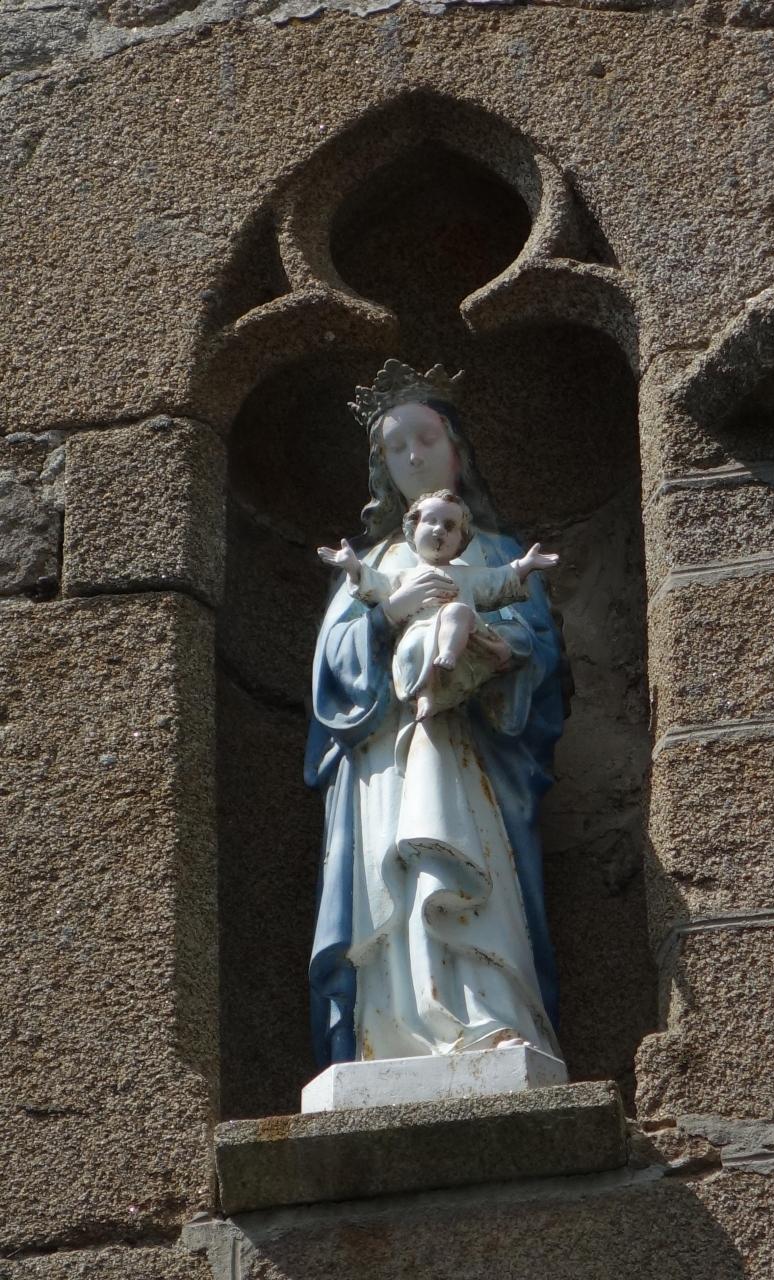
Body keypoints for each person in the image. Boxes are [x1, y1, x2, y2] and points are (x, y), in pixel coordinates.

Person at [306, 360, 568, 1067]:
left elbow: (538, 647)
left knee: (471, 863)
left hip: (469, 747)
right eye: (395, 447)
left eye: (425, 439)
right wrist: (385, 613)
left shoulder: (496, 555)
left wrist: (503, 652)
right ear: (380, 469)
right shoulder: (371, 563)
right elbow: (332, 665)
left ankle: (490, 1012)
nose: (412, 457)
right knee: (392, 875)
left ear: (457, 451)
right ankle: (389, 1033)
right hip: (384, 753)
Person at [317, 489, 559, 721]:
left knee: (456, 612)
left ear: (462, 539)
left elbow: (497, 580)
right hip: (420, 630)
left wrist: (525, 565)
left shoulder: (467, 575)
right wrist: (353, 566)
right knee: (411, 647)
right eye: (430, 521)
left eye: (449, 526)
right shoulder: (403, 577)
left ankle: (452, 654)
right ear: (413, 530)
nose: (439, 530)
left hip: (465, 635)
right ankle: (426, 695)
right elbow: (374, 583)